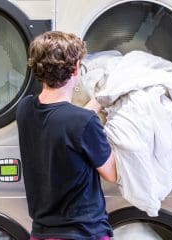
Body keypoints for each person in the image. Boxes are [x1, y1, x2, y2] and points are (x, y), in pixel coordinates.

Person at [16, 31, 117, 240]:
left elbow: (66, 122)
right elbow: (112, 174)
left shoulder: (24, 109)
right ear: (76, 69)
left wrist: (98, 101)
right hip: (84, 232)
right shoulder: (83, 123)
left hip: (42, 232)